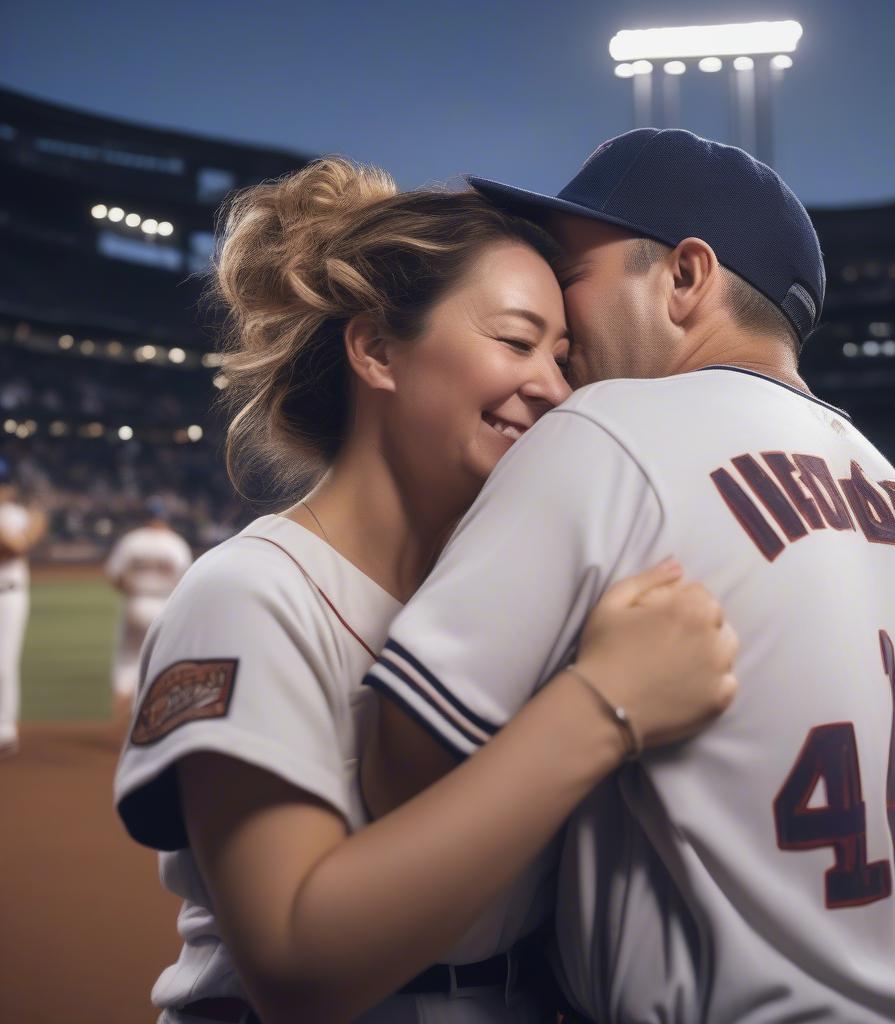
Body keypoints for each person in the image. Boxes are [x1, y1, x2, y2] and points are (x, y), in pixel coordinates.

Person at [361, 130, 895, 1024]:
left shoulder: (607, 431)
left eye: (569, 269)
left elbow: (403, 768)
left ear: (685, 277)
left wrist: (594, 699)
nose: (556, 299)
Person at [114, 158, 740, 1024]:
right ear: (376, 349)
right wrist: (603, 708)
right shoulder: (249, 594)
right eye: (517, 342)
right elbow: (298, 968)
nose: (555, 389)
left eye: (563, 358)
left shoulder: (526, 595)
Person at [106, 499, 193, 730]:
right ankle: (150, 713)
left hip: (136, 603)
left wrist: (132, 591)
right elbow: (185, 582)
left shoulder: (132, 541)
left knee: (127, 657)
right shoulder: (176, 543)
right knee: (161, 659)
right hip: (164, 607)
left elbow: (115, 576)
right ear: (165, 518)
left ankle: (125, 697)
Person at [0, 456, 47, 759]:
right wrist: (33, 524)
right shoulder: (19, 516)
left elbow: (18, 546)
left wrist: (32, 525)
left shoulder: (16, 514)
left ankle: (4, 730)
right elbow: (16, 545)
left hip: (9, 596)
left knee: (4, 663)